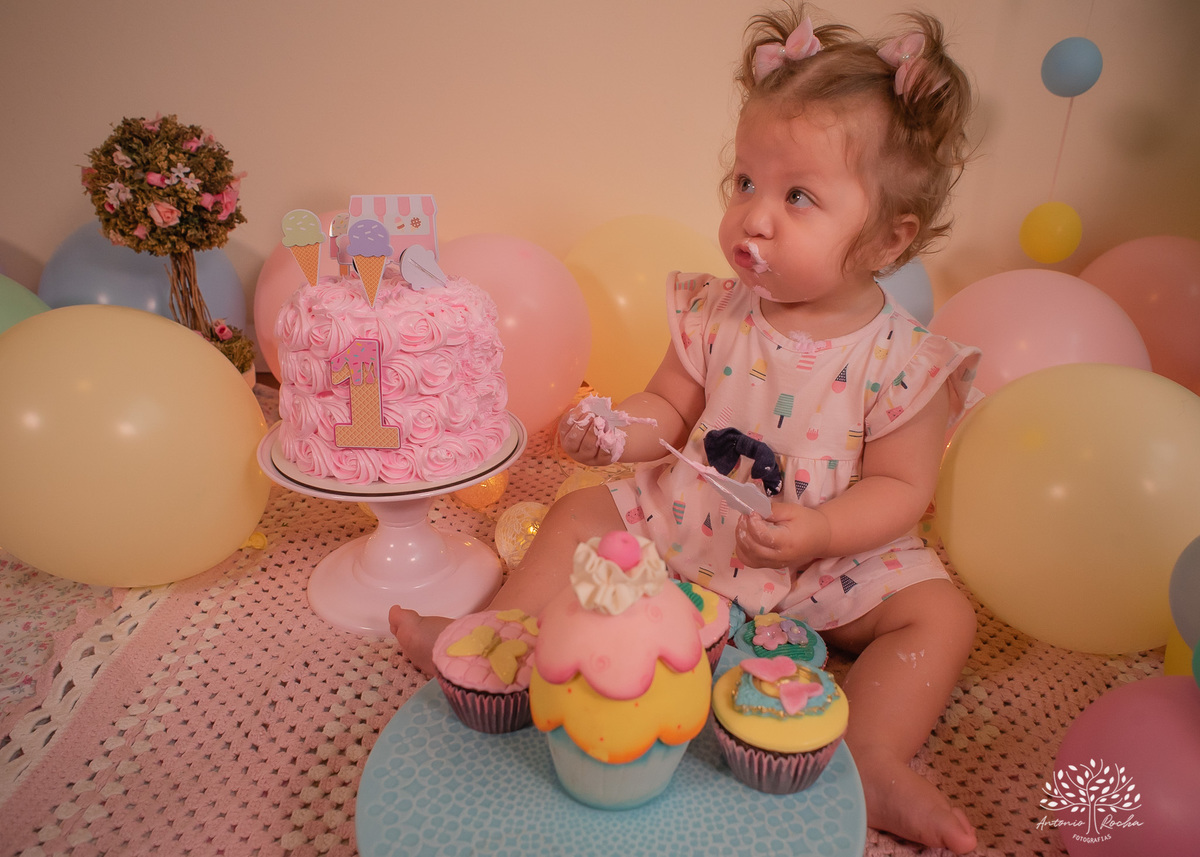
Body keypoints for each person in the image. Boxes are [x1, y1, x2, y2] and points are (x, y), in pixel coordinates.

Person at [393, 4, 981, 851]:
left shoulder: (905, 360)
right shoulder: (715, 313)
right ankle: (499, 651)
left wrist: (821, 527)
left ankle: (873, 753)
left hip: (826, 558)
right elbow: (665, 411)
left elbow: (901, 487)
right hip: (688, 531)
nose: (755, 215)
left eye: (798, 196)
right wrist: (613, 430)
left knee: (941, 614)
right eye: (745, 182)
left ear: (891, 236)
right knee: (576, 515)